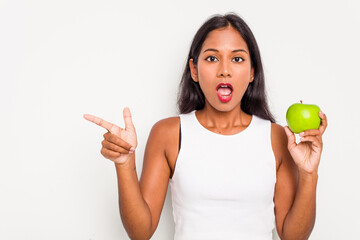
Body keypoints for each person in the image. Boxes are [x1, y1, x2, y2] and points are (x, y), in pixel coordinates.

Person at [84, 13, 328, 240]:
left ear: (252, 72)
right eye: (212, 58)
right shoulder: (168, 133)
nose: (224, 70)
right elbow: (141, 231)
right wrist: (125, 164)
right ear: (194, 70)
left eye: (237, 59)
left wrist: (309, 174)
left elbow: (293, 236)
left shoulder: (276, 137)